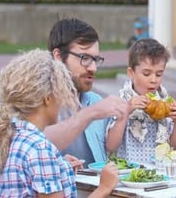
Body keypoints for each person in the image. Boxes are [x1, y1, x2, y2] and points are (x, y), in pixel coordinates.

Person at [0, 49, 119, 197]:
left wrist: (60, 166)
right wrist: (104, 188)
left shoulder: (12, 137)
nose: (62, 100)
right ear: (47, 98)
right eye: (59, 92)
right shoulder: (40, 150)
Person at [45, 18, 128, 165]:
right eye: (84, 58)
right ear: (58, 56)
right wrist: (57, 165)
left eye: (95, 59)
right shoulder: (36, 103)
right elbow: (22, 152)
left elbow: (114, 152)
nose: (93, 68)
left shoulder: (96, 101)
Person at [105, 38, 176, 163]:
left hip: (158, 173)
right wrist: (126, 112)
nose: (153, 80)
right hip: (129, 174)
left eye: (159, 74)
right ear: (131, 73)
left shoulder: (165, 102)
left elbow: (174, 148)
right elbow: (110, 146)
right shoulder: (122, 102)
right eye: (146, 74)